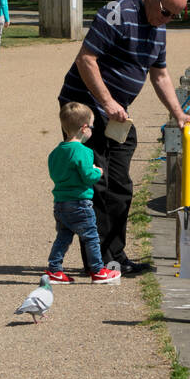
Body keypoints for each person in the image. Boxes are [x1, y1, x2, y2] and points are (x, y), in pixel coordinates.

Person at [58, 0, 190, 275]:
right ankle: (99, 262)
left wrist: (179, 114)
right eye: (167, 12)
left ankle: (114, 256)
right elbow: (86, 60)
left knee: (120, 186)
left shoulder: (159, 28)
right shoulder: (116, 14)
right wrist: (106, 103)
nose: (168, 19)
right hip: (85, 109)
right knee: (97, 182)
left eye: (175, 16)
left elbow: (160, 75)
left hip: (117, 115)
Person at [46, 103, 121, 284]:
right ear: (84, 128)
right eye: (92, 127)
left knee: (63, 237)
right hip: (80, 202)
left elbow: (55, 173)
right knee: (91, 236)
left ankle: (54, 269)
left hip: (61, 203)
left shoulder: (56, 152)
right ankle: (97, 270)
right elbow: (88, 176)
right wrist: (98, 171)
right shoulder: (84, 151)